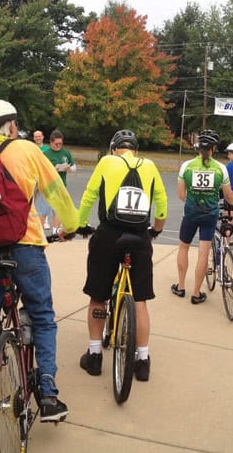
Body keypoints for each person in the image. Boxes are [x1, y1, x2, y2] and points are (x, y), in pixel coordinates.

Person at [0, 99, 79, 441]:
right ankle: (49, 393)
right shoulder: (26, 150)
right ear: (11, 125)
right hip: (26, 246)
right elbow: (56, 191)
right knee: (42, 315)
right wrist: (71, 225)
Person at [78, 130, 167, 382]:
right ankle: (142, 360)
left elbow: (88, 196)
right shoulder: (150, 166)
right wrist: (156, 230)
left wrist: (81, 224)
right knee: (140, 300)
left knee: (98, 295)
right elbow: (161, 202)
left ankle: (94, 355)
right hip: (139, 236)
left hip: (109, 234)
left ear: (114, 148)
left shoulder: (106, 162)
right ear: (135, 151)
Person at [171, 130, 233, 304]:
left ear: (198, 148)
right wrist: (232, 207)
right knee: (203, 252)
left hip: (191, 212)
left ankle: (181, 286)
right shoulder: (220, 168)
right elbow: (228, 195)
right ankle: (196, 293)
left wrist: (193, 200)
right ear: (214, 149)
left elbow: (180, 194)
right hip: (210, 214)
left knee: (183, 247)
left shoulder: (187, 166)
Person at [44, 129, 76, 231]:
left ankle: (56, 229)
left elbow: (74, 166)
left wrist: (69, 169)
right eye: (56, 144)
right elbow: (42, 169)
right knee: (46, 208)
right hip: (49, 184)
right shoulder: (46, 154)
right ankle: (44, 226)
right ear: (51, 142)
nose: (58, 146)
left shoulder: (66, 153)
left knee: (59, 207)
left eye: (60, 144)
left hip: (61, 183)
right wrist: (54, 169)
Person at [32, 130, 52, 228]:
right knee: (32, 199)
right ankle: (33, 219)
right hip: (33, 177)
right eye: (36, 136)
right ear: (33, 138)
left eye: (39, 136)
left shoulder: (47, 149)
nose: (38, 138)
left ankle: (46, 220)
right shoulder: (31, 148)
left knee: (45, 199)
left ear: (43, 137)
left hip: (44, 177)